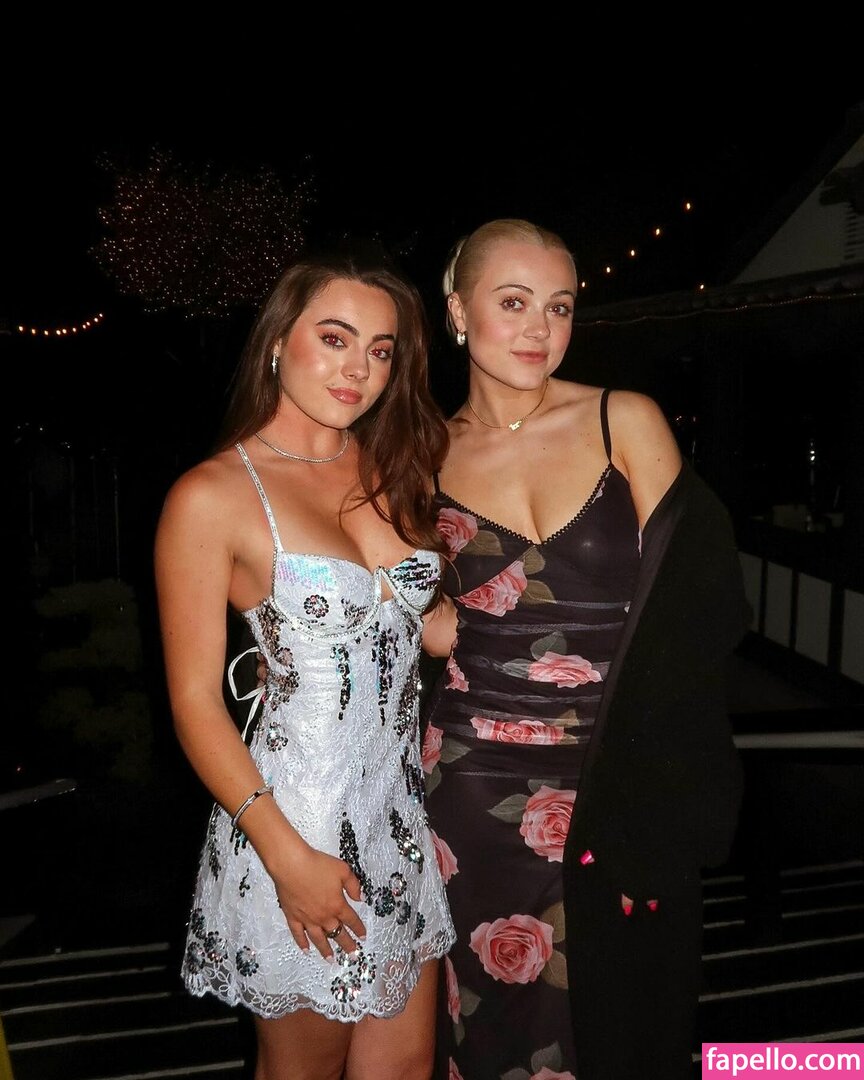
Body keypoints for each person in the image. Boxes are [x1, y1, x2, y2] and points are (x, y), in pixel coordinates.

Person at [419, 219, 751, 1080]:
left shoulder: (622, 420)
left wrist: (660, 802)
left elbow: (697, 616)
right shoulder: (421, 457)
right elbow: (427, 622)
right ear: (457, 311)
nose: (540, 328)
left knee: (628, 1019)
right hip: (475, 784)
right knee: (489, 1023)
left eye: (559, 306)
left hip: (621, 770)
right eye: (513, 302)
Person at [153, 251, 457, 1080]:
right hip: (298, 829)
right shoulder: (212, 495)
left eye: (381, 350)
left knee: (404, 1070)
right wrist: (288, 860)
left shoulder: (391, 466)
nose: (359, 368)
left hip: (397, 822)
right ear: (277, 342)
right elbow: (193, 703)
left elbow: (435, 634)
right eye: (335, 338)